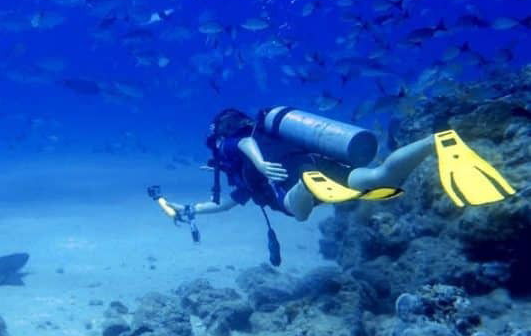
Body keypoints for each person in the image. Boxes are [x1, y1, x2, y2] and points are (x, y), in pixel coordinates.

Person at [151, 106, 515, 264]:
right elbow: (226, 204)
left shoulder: (237, 146)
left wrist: (263, 165)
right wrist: (188, 210)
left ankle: (307, 186)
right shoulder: (266, 142)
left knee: (297, 213)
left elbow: (243, 149)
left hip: (297, 181)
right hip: (319, 162)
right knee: (378, 178)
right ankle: (437, 141)